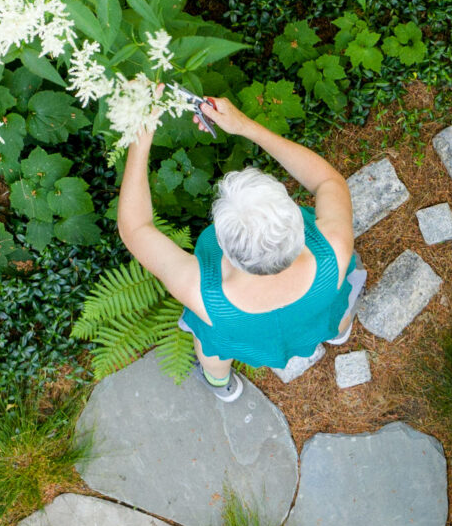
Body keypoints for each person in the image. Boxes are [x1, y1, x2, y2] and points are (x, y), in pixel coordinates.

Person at [115, 96, 363, 402]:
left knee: (212, 350)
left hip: (238, 335)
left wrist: (140, 136)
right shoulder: (335, 250)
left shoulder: (202, 293)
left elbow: (136, 228)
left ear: (221, 244)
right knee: (337, 307)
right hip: (314, 311)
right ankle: (338, 333)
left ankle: (220, 383)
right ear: (298, 223)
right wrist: (245, 126)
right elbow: (327, 180)